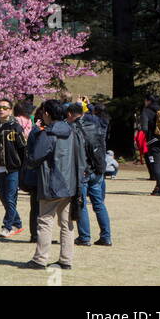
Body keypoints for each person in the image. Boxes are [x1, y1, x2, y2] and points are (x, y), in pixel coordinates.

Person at [23, 100, 83, 271]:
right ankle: (66, 259)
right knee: (67, 223)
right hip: (70, 183)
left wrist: (33, 136)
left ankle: (40, 259)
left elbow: (35, 158)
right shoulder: (72, 131)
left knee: (45, 221)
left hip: (51, 184)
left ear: (47, 114)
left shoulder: (48, 134)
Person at [69, 101, 112, 246]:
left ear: (70, 114)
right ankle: (106, 236)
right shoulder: (94, 125)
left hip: (83, 171)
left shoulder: (73, 129)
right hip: (97, 169)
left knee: (82, 204)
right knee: (99, 204)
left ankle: (84, 236)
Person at [0, 98, 26, 237]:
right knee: (3, 198)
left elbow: (23, 148)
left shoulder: (15, 127)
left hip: (12, 168)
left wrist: (22, 167)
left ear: (10, 110)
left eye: (5, 107)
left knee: (10, 198)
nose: (1, 110)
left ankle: (7, 226)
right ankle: (17, 222)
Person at [141, 95, 160, 196]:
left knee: (154, 164)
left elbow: (144, 128)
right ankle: (158, 187)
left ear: (148, 101)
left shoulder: (146, 111)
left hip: (153, 141)